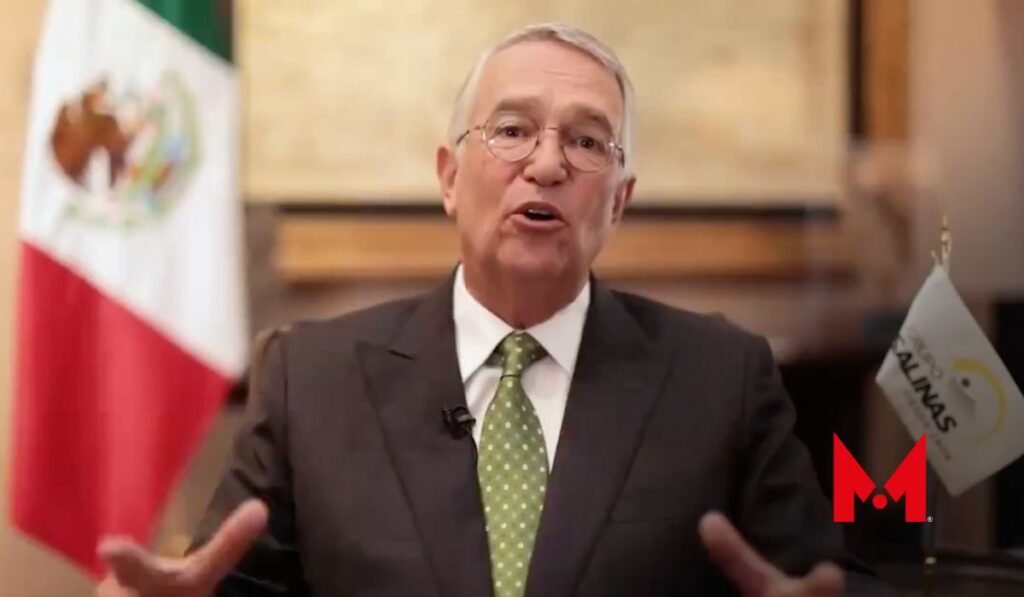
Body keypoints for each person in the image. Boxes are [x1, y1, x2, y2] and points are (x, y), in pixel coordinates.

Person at [97, 23, 894, 597]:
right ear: (450, 178)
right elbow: (220, 583)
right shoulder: (312, 378)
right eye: (512, 130)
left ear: (618, 203)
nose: (546, 164)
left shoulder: (720, 379)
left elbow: (830, 582)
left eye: (587, 142)